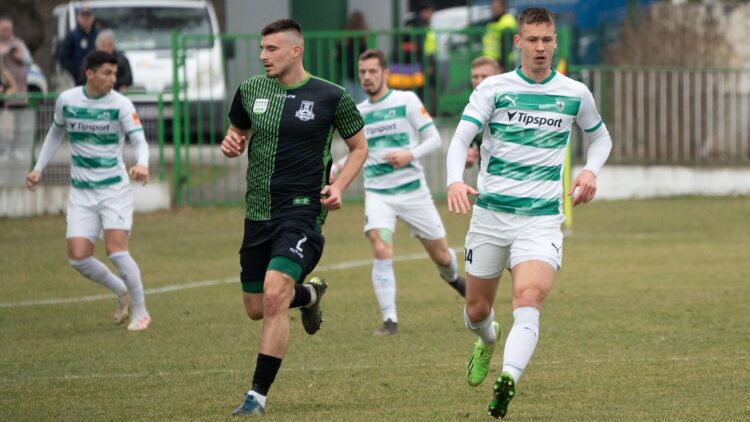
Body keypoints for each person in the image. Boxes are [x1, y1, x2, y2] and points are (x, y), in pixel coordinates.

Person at [446, 8, 612, 419]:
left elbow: (601, 137)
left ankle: (509, 378)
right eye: (532, 40)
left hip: (540, 219)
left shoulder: (575, 92)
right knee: (477, 312)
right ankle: (487, 340)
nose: (541, 47)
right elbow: (461, 137)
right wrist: (453, 179)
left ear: (555, 42)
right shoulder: (494, 89)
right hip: (489, 216)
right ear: (518, 43)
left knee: (529, 296)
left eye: (547, 40)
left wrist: (590, 170)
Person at [220, 19, 367, 416]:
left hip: (302, 211)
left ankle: (256, 396)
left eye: (272, 49)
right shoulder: (250, 90)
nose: (263, 56)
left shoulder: (331, 96)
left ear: (296, 51)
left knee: (273, 293)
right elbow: (237, 133)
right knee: (257, 306)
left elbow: (358, 147)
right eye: (262, 49)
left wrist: (339, 188)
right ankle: (310, 295)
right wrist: (231, 143)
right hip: (257, 213)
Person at [332, 49, 465, 336]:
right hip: (379, 195)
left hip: (414, 193)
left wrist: (409, 154)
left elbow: (433, 140)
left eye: (372, 71)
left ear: (385, 73)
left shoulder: (406, 101)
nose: (366, 77)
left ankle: (455, 279)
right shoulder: (358, 112)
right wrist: (335, 170)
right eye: (362, 72)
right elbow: (359, 153)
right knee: (381, 245)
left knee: (442, 257)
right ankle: (389, 320)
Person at [26, 50, 152, 331]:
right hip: (82, 192)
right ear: (90, 74)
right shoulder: (67, 100)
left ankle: (141, 312)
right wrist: (38, 168)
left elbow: (140, 141)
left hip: (113, 190)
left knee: (116, 251)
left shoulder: (120, 104)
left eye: (114, 74)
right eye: (107, 73)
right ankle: (121, 289)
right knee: (78, 257)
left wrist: (142, 164)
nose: (112, 79)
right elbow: (55, 133)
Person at [0, 16, 31, 161]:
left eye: (8, 29)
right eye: (3, 29)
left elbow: (29, 61)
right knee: (5, 124)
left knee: (19, 121)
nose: (6, 32)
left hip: (18, 89)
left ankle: (15, 149)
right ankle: (3, 151)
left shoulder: (18, 43)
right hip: (4, 90)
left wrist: (20, 58)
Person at [465, 56, 500, 168]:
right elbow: (463, 148)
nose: (479, 81)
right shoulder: (470, 110)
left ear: (497, 77)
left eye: (484, 76)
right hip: (487, 181)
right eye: (475, 76)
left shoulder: (511, 105)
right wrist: (466, 157)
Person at [58, 5, 100, 85]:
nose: (85, 19)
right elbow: (64, 57)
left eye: (88, 16)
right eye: (83, 16)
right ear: (78, 18)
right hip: (79, 79)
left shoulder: (99, 34)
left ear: (92, 18)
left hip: (97, 76)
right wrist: (77, 72)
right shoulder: (72, 36)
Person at [334, 10, 369, 103]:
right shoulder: (365, 37)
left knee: (348, 103)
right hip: (362, 73)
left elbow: (336, 56)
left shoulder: (344, 37)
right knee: (363, 102)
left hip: (347, 73)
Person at [482, 0, 517, 72]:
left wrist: (501, 65)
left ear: (503, 7)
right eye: (492, 6)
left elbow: (506, 46)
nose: (493, 9)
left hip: (504, 63)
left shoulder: (507, 21)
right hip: (491, 61)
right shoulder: (494, 20)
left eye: (496, 7)